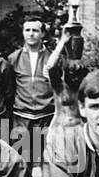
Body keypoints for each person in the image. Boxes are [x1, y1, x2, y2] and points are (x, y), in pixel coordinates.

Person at [8, 17, 68, 169]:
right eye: (27, 30)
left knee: (48, 163)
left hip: (46, 117)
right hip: (22, 117)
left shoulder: (53, 58)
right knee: (21, 164)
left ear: (42, 34)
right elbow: (8, 89)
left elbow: (60, 85)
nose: (31, 34)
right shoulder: (13, 58)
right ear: (23, 33)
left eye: (35, 30)